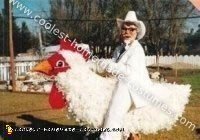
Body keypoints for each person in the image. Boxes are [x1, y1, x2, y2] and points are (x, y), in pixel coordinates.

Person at [99, 11, 191, 140]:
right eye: (124, 29)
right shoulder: (118, 49)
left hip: (132, 87)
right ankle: (127, 135)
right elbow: (112, 68)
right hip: (122, 82)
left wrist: (108, 64)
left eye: (131, 29)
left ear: (136, 33)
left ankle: (108, 137)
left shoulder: (137, 49)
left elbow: (128, 71)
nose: (127, 32)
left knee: (115, 113)